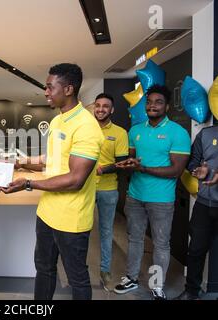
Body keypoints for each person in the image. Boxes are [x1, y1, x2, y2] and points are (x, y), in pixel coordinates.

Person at [3, 63, 104, 300]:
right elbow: (52, 160)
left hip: (72, 218)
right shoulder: (59, 120)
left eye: (50, 87)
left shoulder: (86, 126)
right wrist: (19, 163)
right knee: (44, 269)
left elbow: (75, 179)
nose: (46, 92)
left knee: (76, 277)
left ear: (68, 89)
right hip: (47, 212)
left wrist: (28, 183)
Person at [113, 84, 191, 300]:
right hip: (135, 196)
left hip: (161, 200)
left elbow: (176, 170)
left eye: (158, 102)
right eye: (149, 102)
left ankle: (157, 286)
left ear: (167, 106)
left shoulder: (178, 132)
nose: (152, 106)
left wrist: (143, 168)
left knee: (160, 244)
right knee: (135, 239)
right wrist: (126, 165)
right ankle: (131, 278)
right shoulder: (136, 130)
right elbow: (131, 160)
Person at [173, 126, 218, 300]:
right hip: (204, 204)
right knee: (196, 250)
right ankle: (191, 291)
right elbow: (192, 162)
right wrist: (198, 170)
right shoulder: (206, 134)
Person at [93, 93, 129, 291]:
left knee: (106, 231)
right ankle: (80, 268)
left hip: (108, 189)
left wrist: (103, 169)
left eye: (105, 106)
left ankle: (105, 270)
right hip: (85, 188)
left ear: (112, 110)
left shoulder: (120, 133)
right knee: (81, 229)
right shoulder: (86, 129)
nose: (101, 109)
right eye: (98, 105)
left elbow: (122, 163)